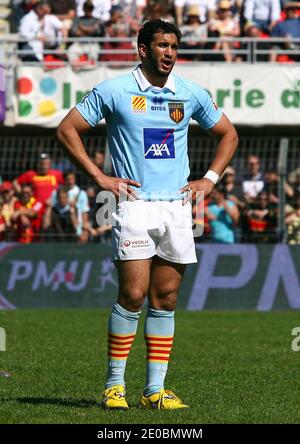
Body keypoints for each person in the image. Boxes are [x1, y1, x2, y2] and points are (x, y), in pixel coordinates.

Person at [57, 19, 238, 410]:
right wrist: (99, 175)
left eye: (174, 45)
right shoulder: (115, 90)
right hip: (134, 204)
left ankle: (154, 390)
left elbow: (229, 133)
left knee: (167, 297)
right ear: (144, 50)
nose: (169, 52)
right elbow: (68, 128)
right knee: (134, 294)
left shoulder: (189, 93)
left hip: (177, 206)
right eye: (162, 45)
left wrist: (207, 179)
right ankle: (114, 385)